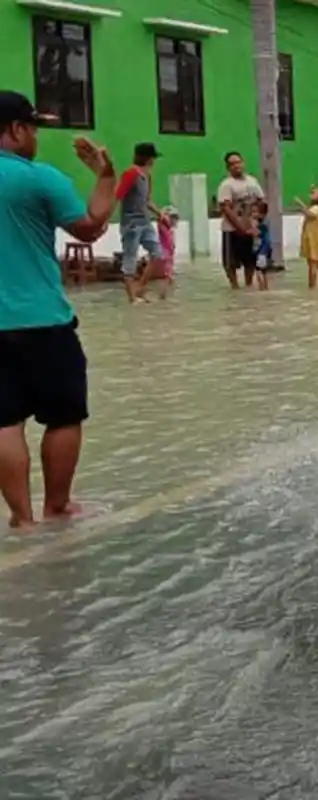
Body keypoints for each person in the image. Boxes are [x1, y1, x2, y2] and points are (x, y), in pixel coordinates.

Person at [0, 91, 116, 529]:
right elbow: (88, 228)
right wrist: (105, 176)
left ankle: (20, 518)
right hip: (43, 320)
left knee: (4, 422)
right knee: (64, 415)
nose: (34, 137)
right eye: (32, 128)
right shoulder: (38, 178)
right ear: (15, 130)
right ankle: (57, 506)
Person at [115, 142, 165, 304]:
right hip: (131, 223)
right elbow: (118, 195)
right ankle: (132, 297)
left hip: (145, 221)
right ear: (148, 158)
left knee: (158, 254)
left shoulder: (147, 176)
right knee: (130, 258)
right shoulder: (131, 174)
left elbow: (147, 200)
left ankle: (140, 288)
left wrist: (160, 214)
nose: (153, 161)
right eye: (152, 158)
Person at [217, 151, 264, 290]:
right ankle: (235, 287)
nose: (236, 166)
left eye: (238, 162)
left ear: (243, 163)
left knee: (250, 261)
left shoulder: (252, 182)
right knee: (230, 263)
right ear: (228, 167)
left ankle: (248, 286)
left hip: (250, 228)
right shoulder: (226, 185)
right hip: (231, 230)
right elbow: (226, 209)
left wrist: (257, 222)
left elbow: (261, 201)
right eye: (232, 164)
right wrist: (240, 228)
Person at [298, 186, 318, 288]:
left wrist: (301, 205)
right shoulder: (316, 208)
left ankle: (312, 287)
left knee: (313, 265)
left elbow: (310, 214)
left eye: (315, 192)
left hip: (313, 240)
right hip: (314, 239)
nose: (311, 193)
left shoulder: (317, 208)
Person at [149, 204, 179, 299]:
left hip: (169, 257)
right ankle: (162, 296)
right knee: (166, 279)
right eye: (173, 218)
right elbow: (161, 219)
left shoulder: (170, 230)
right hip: (164, 256)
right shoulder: (163, 226)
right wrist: (163, 216)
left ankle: (163, 297)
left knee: (168, 279)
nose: (175, 221)